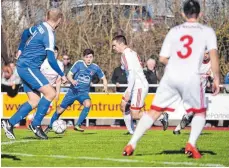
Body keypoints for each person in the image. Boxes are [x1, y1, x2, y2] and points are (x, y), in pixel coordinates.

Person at [123, 0, 220, 159]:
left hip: (171, 75)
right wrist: (216, 77)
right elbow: (214, 56)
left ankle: (131, 144)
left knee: (154, 111)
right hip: (191, 76)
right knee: (200, 112)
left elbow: (162, 58)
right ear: (200, 13)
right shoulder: (207, 31)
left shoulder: (174, 31)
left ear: (183, 13)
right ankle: (191, 143)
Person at [1, 8, 67, 140]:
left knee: (34, 100)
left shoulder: (40, 27)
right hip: (28, 67)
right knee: (51, 93)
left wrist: (20, 48)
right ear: (59, 20)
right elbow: (51, 59)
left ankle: (9, 123)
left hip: (24, 66)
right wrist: (62, 74)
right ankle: (35, 125)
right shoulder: (49, 34)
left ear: (46, 16)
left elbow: (25, 33)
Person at [44, 49, 108, 133]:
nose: (89, 59)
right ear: (83, 57)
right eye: (87, 57)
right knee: (60, 110)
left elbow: (103, 78)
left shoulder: (95, 67)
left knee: (88, 103)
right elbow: (69, 75)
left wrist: (105, 87)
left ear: (93, 58)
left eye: (90, 57)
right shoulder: (79, 64)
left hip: (83, 93)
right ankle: (50, 126)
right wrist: (72, 81)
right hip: (73, 91)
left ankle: (78, 125)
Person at [112, 35, 149, 135]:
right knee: (123, 105)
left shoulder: (125, 55)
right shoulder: (132, 53)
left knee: (135, 114)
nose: (113, 48)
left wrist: (128, 91)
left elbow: (132, 74)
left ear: (121, 44)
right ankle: (132, 131)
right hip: (135, 85)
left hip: (138, 86)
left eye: (114, 45)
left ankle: (161, 116)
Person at [25, 46, 64, 128]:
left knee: (47, 110)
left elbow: (58, 80)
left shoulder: (60, 64)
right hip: (41, 88)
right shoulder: (43, 63)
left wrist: (57, 93)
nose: (54, 54)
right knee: (43, 107)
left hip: (50, 90)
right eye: (52, 53)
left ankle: (32, 118)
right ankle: (34, 123)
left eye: (56, 52)